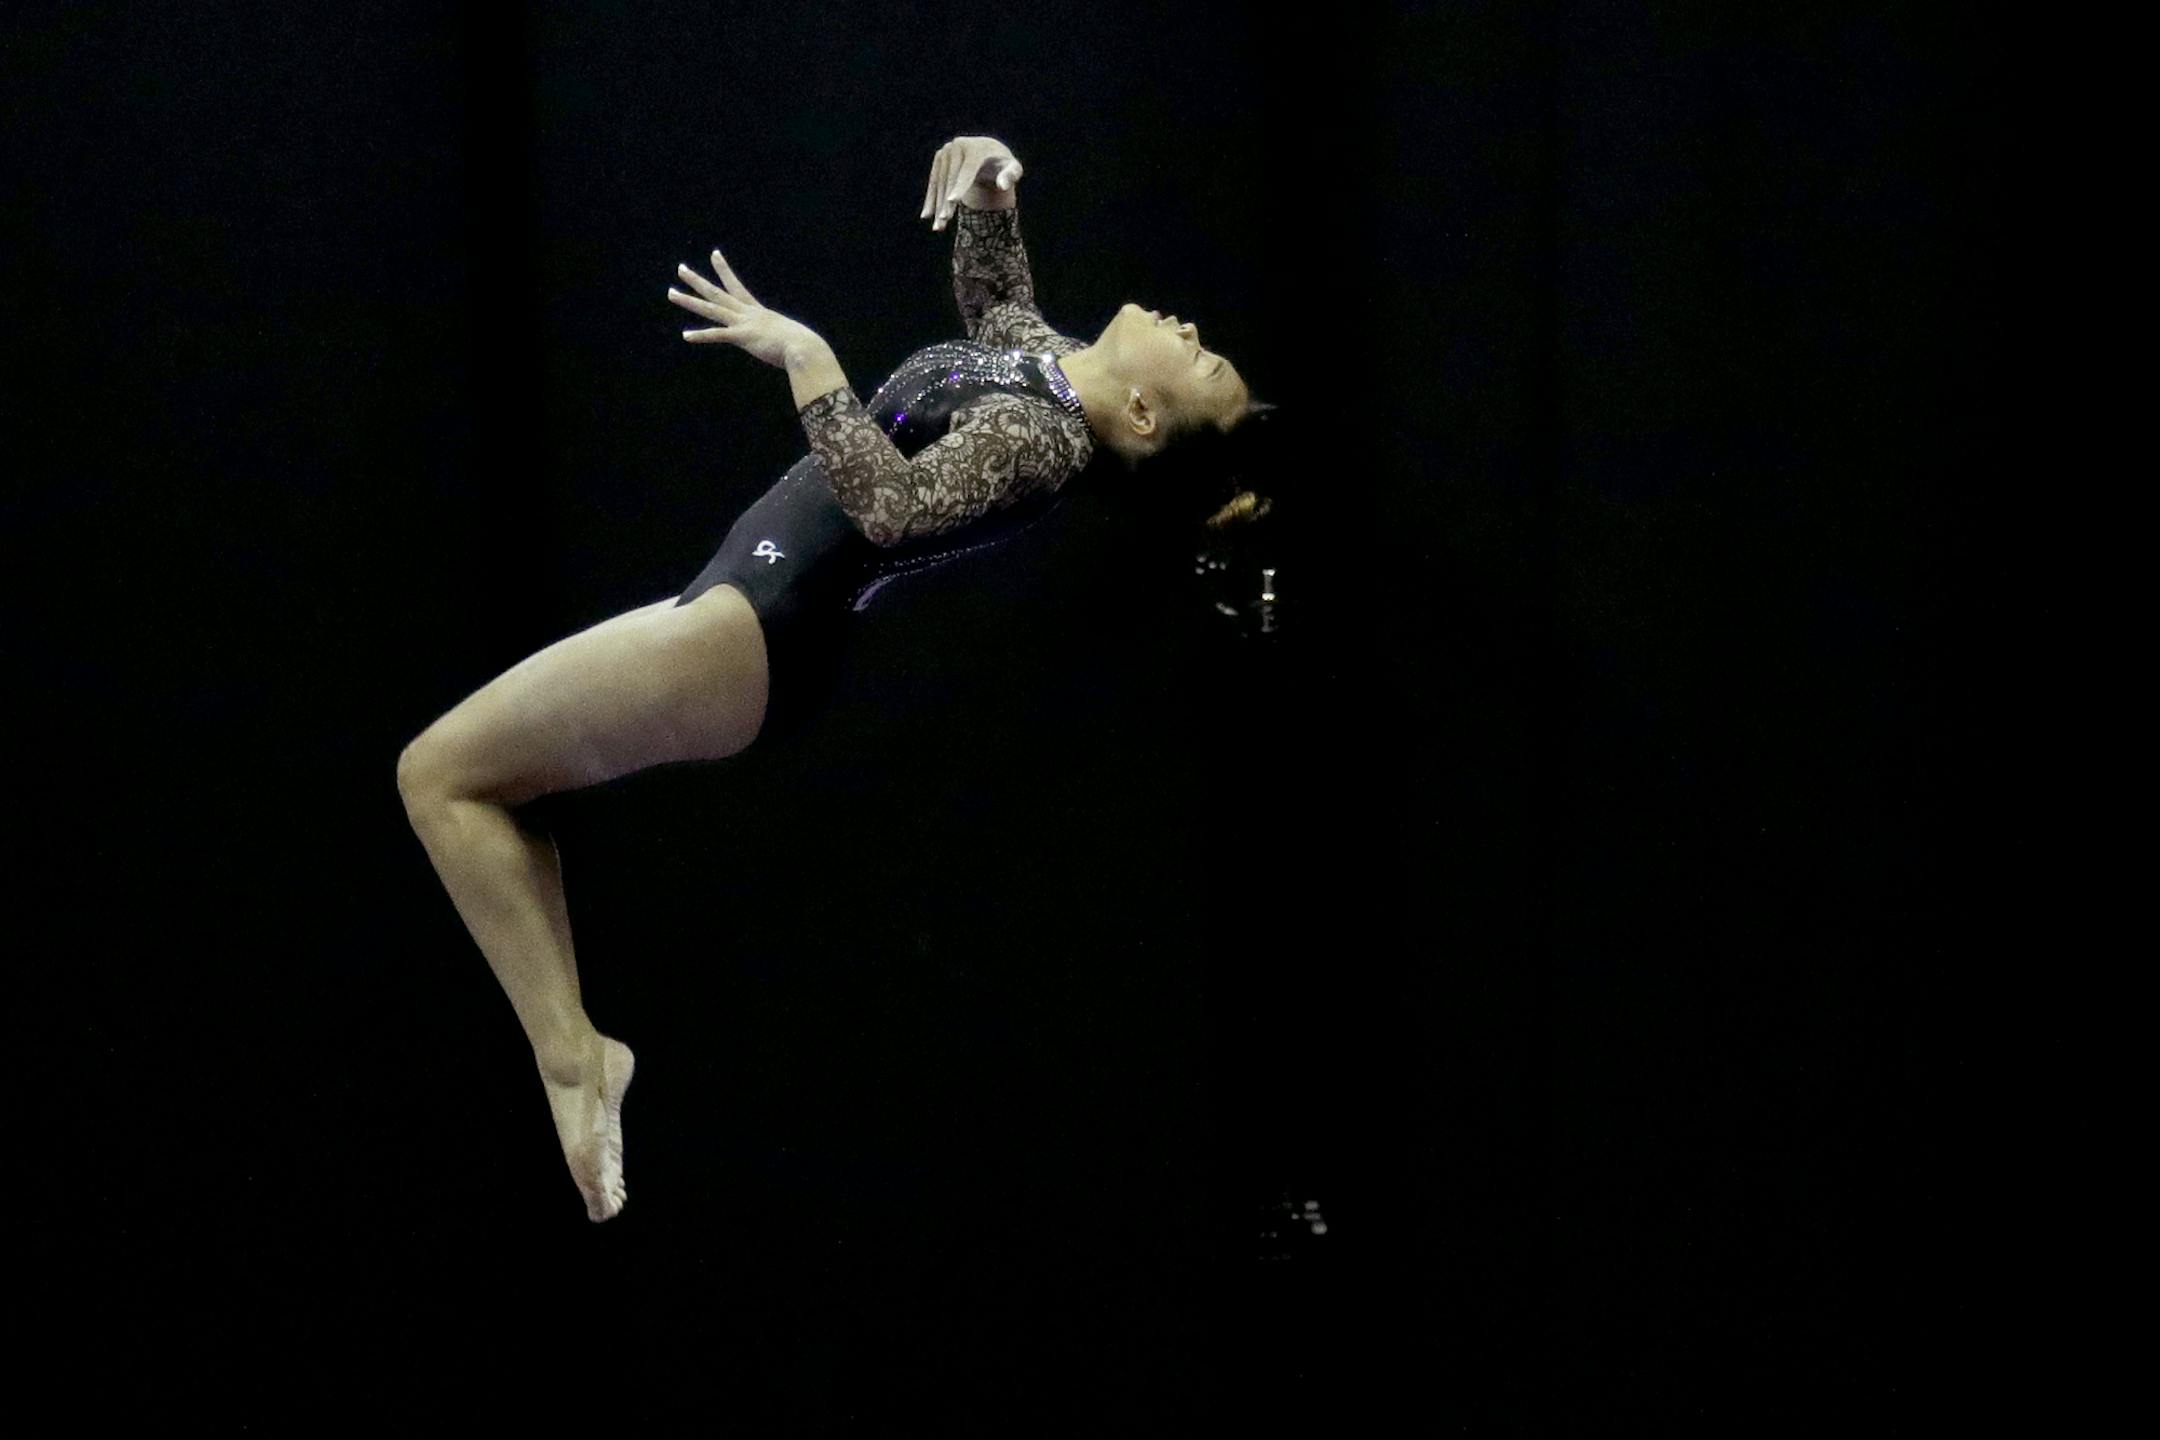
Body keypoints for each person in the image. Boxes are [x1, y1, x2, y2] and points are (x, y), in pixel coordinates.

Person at [396, 136, 1273, 1223]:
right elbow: (998, 310)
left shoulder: (1044, 442)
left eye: (1204, 364)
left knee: (440, 775)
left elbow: (891, 508)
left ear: (1143, 419)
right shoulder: (1044, 370)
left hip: (758, 632)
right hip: (743, 609)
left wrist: (807, 356)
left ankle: (575, 1056)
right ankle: (573, 1050)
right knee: (474, 782)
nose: (1192, 332)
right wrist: (994, 197)